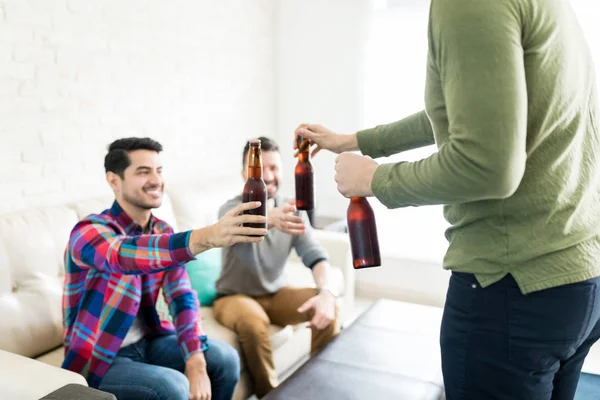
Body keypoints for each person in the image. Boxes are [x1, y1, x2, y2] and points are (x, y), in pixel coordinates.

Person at [294, 0, 600, 399]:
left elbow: (487, 166)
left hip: (513, 288)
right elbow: (466, 112)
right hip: (576, 278)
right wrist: (355, 141)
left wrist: (375, 179)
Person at [62, 137, 268, 400]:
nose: (156, 180)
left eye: (159, 171)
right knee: (171, 386)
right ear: (114, 181)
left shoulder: (161, 230)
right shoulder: (88, 232)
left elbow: (181, 296)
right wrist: (209, 236)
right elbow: (123, 256)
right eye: (143, 172)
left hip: (149, 341)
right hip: (99, 358)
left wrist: (196, 361)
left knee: (224, 359)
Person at [213, 136, 341, 398]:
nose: (267, 176)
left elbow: (316, 256)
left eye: (274, 168)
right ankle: (273, 396)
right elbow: (243, 222)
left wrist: (326, 292)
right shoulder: (229, 210)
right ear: (244, 174)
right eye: (260, 169)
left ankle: (315, 391)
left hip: (277, 294)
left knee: (327, 305)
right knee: (252, 322)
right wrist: (270, 218)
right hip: (233, 297)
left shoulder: (292, 210)